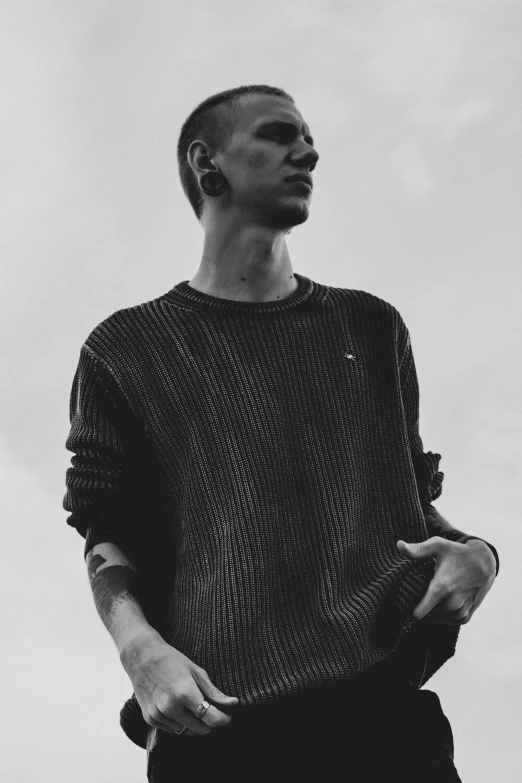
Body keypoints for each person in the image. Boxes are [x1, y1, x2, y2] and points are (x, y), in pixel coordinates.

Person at [63, 84, 499, 782]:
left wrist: (479, 553)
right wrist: (138, 649)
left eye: (310, 137)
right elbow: (109, 530)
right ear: (209, 166)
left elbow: (406, 509)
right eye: (277, 134)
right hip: (223, 733)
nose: (309, 150)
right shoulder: (126, 349)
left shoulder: (371, 328)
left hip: (388, 728)